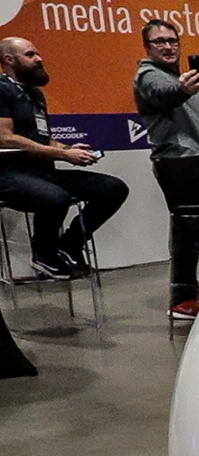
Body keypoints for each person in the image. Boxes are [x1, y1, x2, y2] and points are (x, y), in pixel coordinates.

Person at [0, 37, 128, 281]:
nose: (39, 59)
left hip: (43, 172)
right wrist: (62, 154)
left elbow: (40, 137)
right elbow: (4, 138)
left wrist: (68, 148)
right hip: (10, 174)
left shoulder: (35, 94)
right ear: (9, 59)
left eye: (38, 53)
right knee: (55, 197)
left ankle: (69, 244)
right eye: (30, 55)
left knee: (113, 188)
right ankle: (44, 255)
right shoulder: (2, 90)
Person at [134, 19, 199, 321]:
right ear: (147, 47)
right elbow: (163, 93)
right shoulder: (149, 75)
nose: (168, 46)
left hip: (197, 162)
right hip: (178, 164)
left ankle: (189, 286)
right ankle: (181, 300)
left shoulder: (181, 77)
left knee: (197, 229)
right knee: (188, 230)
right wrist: (182, 88)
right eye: (160, 41)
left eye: (173, 40)